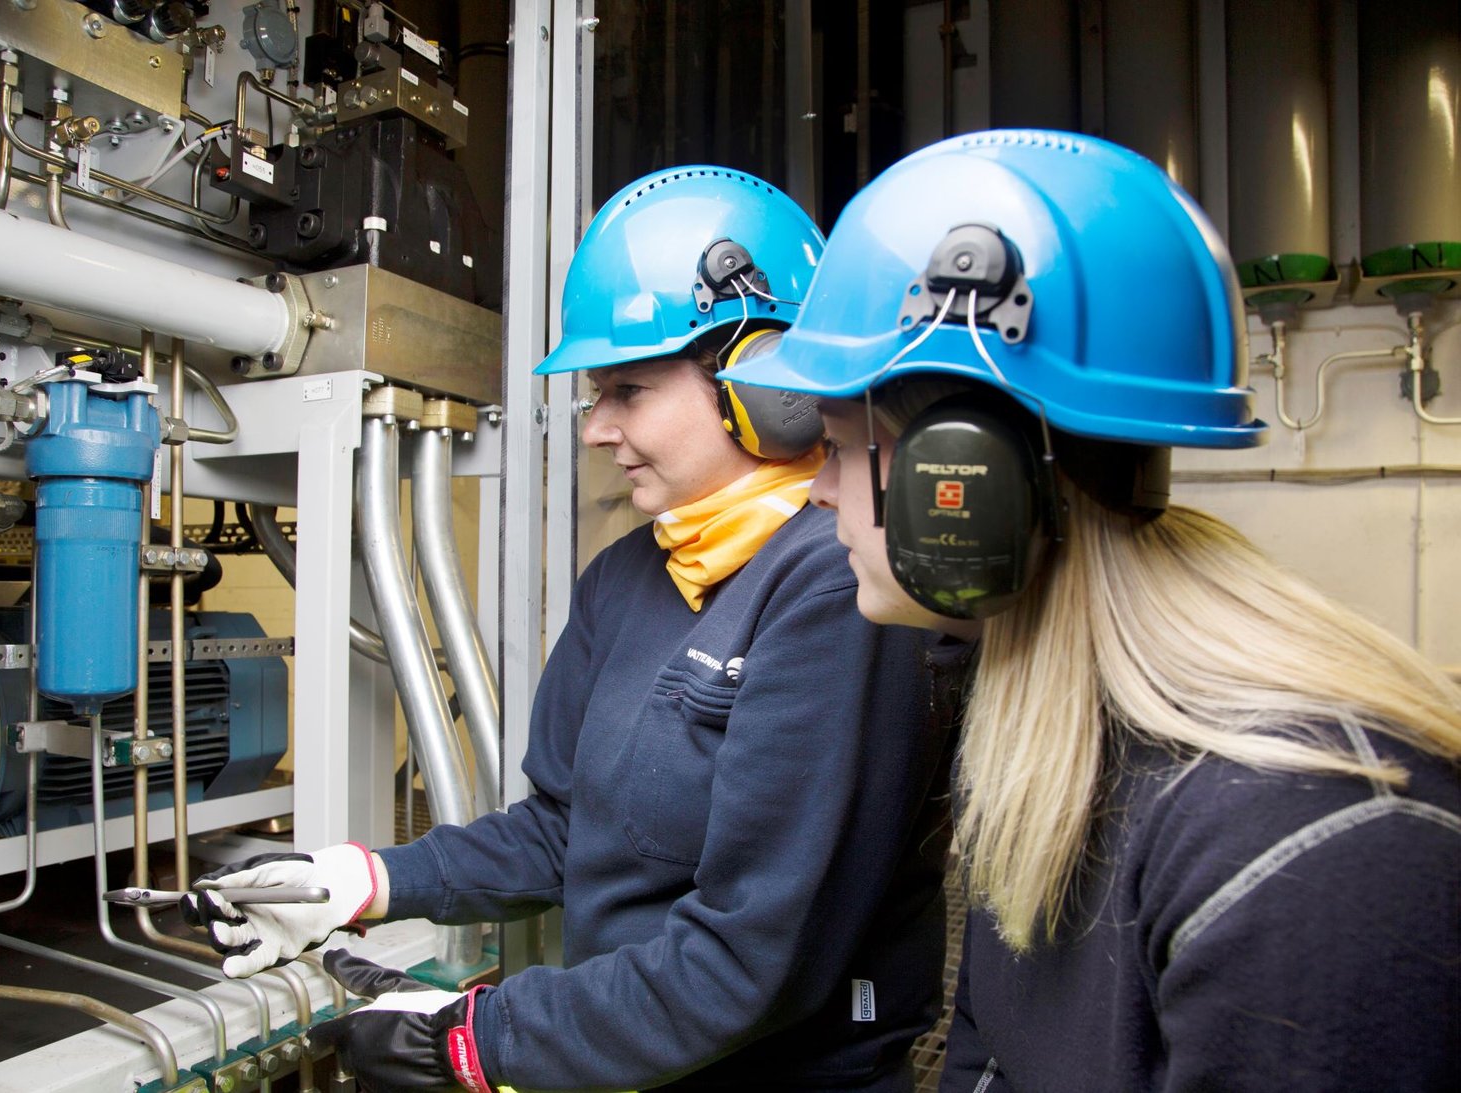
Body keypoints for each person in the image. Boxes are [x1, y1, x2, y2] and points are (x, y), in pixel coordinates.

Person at [183, 166, 971, 1092]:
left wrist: (474, 1040)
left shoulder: (844, 590)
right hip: (625, 1060)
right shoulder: (629, 577)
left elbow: (749, 965)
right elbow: (564, 830)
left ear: (761, 380)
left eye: (627, 390)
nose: (596, 427)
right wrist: (359, 879)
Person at [721, 129, 1461, 1091]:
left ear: (968, 474)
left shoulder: (1319, 858)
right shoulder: (1048, 739)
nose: (817, 494)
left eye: (835, 447)